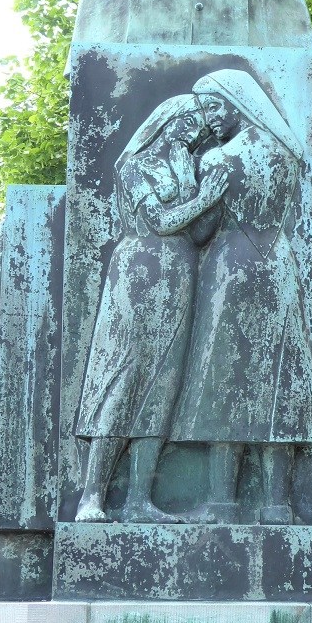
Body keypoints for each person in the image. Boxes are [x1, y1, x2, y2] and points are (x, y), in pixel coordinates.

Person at [161, 69, 312, 525]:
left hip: (231, 269)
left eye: (215, 107)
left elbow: (201, 230)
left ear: (237, 103)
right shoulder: (286, 156)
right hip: (278, 266)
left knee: (224, 382)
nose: (210, 119)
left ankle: (222, 502)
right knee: (277, 380)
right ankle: (277, 506)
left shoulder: (217, 161)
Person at [73, 94, 218, 523]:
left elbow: (198, 233)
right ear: (168, 119)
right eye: (191, 118)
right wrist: (206, 200)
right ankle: (91, 497)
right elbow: (160, 221)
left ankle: (140, 500)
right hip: (139, 272)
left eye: (203, 121)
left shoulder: (190, 167)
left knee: (163, 386)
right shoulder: (134, 166)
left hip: (180, 273)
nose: (199, 127)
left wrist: (213, 200)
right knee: (125, 379)